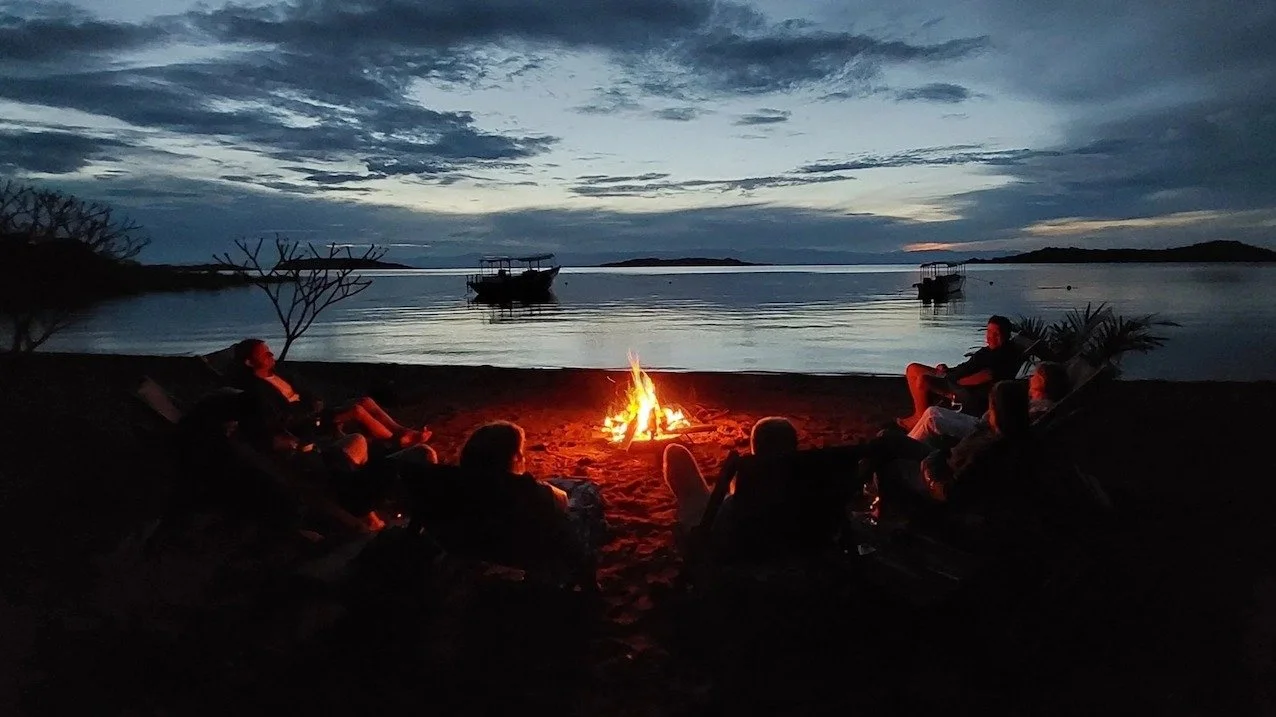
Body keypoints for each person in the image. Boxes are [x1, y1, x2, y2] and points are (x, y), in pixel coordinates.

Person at [230, 338, 430, 454]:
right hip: (306, 422)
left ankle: (402, 431)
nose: (271, 355)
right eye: (265, 354)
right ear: (249, 363)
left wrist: (314, 401)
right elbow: (281, 417)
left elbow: (306, 391)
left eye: (270, 352)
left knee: (365, 401)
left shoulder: (281, 374)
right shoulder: (256, 389)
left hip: (315, 411)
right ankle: (396, 441)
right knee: (357, 410)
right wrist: (310, 410)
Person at [868, 380, 1032, 506]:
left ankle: (880, 510)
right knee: (886, 437)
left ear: (998, 411)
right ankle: (867, 483)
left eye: (991, 408)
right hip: (941, 461)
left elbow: (950, 490)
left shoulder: (991, 448)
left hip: (936, 476)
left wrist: (929, 465)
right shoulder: (995, 432)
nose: (988, 413)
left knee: (885, 463)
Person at [663, 416, 799, 530]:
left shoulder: (748, 485)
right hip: (788, 543)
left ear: (755, 449)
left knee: (675, 455)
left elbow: (726, 519)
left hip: (733, 538)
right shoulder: (810, 485)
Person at [896, 315, 1022, 430]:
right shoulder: (988, 350)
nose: (991, 337)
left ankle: (920, 420)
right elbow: (967, 366)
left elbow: (986, 376)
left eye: (996, 334)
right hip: (953, 376)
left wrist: (958, 381)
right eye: (989, 332)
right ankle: (918, 415)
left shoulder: (1002, 354)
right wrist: (948, 370)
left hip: (961, 389)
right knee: (913, 369)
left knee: (923, 380)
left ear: (1006, 335)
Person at [907, 360, 1070, 448]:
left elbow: (1012, 427)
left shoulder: (1043, 406)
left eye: (1034, 376)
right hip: (984, 424)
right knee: (932, 411)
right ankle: (910, 441)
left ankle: (907, 446)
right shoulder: (1034, 399)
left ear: (1042, 382)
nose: (1030, 378)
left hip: (987, 434)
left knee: (932, 420)